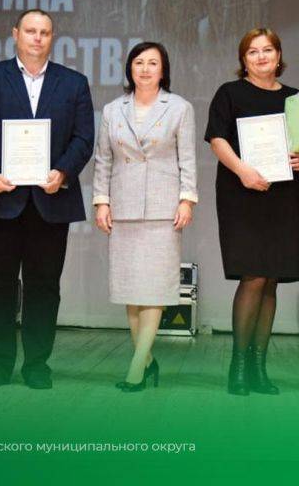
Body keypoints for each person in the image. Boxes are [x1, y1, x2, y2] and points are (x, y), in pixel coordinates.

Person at [0, 8, 94, 389]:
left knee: (44, 288)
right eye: (31, 31)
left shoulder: (74, 83)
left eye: (45, 32)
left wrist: (63, 173)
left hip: (50, 203)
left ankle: (37, 365)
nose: (37, 38)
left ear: (52, 38)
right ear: (15, 34)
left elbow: (83, 138)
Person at [206, 28, 299, 396]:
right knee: (253, 274)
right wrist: (244, 171)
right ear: (243, 59)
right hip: (242, 193)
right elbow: (217, 139)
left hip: (282, 196)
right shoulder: (229, 93)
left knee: (272, 279)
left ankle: (258, 367)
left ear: (278, 54)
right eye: (252, 52)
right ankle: (238, 366)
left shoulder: (295, 99)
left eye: (266, 50)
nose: (260, 57)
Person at [93, 42, 197, 391]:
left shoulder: (179, 108)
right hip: (122, 206)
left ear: (163, 70)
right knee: (131, 290)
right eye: (139, 62)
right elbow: (103, 159)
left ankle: (136, 367)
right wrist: (101, 201)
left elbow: (188, 160)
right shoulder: (112, 110)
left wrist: (187, 200)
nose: (146, 69)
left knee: (153, 290)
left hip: (162, 208)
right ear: (130, 68)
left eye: (153, 63)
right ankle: (149, 361)